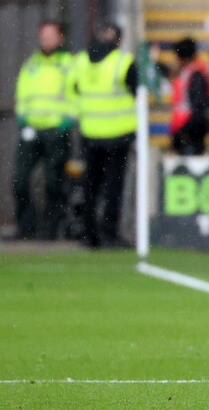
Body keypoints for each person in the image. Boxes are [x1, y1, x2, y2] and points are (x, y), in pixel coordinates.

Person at [68, 24, 137, 248]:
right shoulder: (122, 62)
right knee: (112, 188)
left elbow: (71, 90)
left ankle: (89, 235)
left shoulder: (80, 60)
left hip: (90, 131)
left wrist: (82, 114)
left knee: (91, 187)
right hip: (119, 132)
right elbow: (139, 91)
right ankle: (108, 234)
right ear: (118, 40)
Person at [13, 20, 74, 240]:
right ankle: (26, 227)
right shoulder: (32, 64)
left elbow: (76, 96)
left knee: (53, 183)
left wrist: (66, 121)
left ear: (60, 38)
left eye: (51, 35)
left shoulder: (69, 64)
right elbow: (22, 94)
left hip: (57, 131)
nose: (46, 39)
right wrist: (22, 118)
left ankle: (51, 230)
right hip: (31, 130)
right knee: (19, 181)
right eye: (43, 35)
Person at [169, 37, 209, 156]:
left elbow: (198, 108)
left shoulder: (196, 75)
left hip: (190, 134)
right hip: (185, 131)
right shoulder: (189, 72)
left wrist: (185, 132)